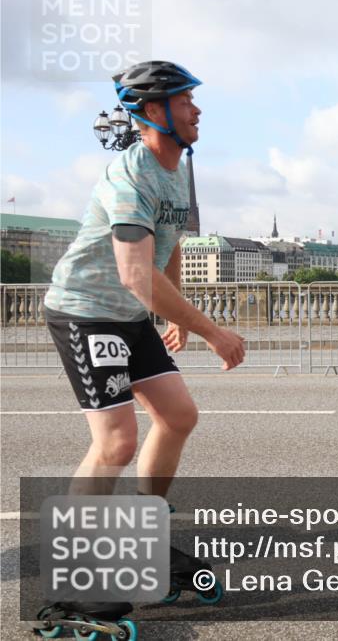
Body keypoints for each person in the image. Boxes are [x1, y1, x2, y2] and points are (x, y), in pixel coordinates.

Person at [44, 61, 245, 497]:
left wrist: (175, 317)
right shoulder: (130, 175)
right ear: (154, 112)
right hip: (86, 311)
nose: (197, 110)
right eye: (185, 100)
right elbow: (136, 274)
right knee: (116, 443)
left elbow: (169, 243)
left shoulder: (175, 171)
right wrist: (212, 332)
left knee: (178, 417)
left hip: (129, 314)